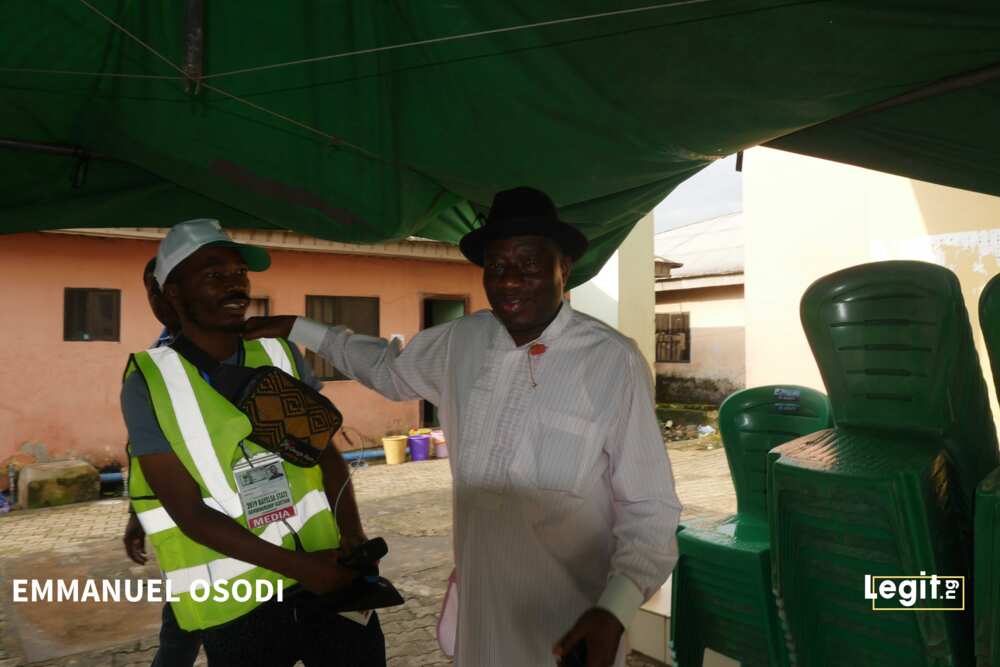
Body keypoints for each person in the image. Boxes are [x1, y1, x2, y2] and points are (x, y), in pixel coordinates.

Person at [244, 187, 683, 667]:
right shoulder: (463, 341)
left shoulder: (611, 361)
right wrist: (299, 328)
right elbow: (388, 369)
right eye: (497, 266)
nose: (510, 280)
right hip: (481, 624)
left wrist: (613, 612)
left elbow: (651, 511)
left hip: (573, 629)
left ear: (565, 268)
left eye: (530, 263)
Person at [121, 219, 384, 666]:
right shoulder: (150, 381)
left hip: (328, 568)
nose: (235, 285)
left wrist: (352, 535)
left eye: (239, 274)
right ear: (173, 294)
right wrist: (307, 571)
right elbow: (188, 513)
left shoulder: (278, 353)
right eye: (214, 275)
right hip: (240, 603)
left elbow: (326, 455)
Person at [122, 257, 203, 667]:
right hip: (189, 534)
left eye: (164, 285)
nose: (157, 297)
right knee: (180, 632)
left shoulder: (233, 351)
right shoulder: (153, 363)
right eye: (149, 288)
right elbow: (141, 450)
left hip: (252, 525)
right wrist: (137, 516)